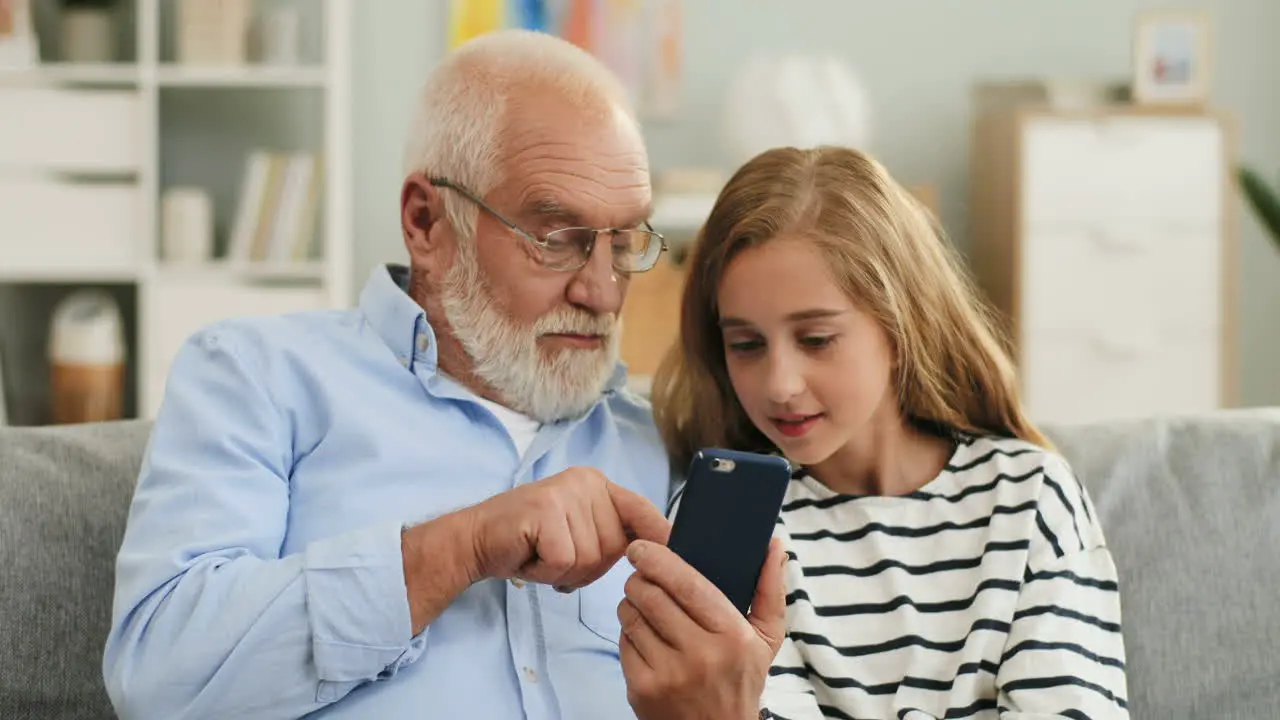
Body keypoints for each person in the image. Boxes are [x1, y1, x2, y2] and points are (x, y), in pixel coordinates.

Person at [102, 30, 781, 720]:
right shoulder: (255, 376)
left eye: (626, 241)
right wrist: (464, 545)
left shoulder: (669, 446)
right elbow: (157, 679)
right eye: (557, 239)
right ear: (426, 222)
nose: (603, 292)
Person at [651, 145, 1130, 719]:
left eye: (816, 339)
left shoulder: (1030, 499)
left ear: (901, 324)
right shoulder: (731, 524)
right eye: (746, 344)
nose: (779, 383)